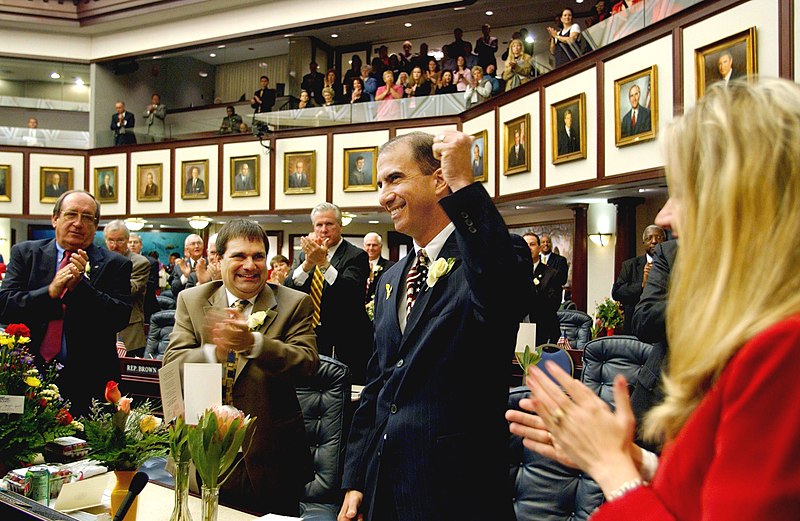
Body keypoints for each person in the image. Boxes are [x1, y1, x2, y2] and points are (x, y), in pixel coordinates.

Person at [508, 78, 800, 519]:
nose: (664, 215)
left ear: (740, 203)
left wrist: (611, 469)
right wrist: (627, 456)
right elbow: (707, 494)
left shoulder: (784, 351)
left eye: (681, 193)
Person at [338, 131, 531, 521]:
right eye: (380, 184)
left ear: (438, 179)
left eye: (395, 179)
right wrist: (356, 478)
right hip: (384, 490)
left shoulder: (496, 255)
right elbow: (379, 384)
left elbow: (500, 296)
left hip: (457, 492)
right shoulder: (391, 279)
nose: (383, 196)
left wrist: (465, 185)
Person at [164, 219, 318, 516]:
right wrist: (212, 350)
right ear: (218, 260)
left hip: (271, 458)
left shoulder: (294, 303)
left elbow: (308, 364)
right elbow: (172, 367)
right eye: (239, 256)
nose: (250, 265)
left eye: (258, 256)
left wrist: (254, 344)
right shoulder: (193, 300)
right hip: (201, 452)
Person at [0, 190, 132, 415]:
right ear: (55, 219)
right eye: (71, 214)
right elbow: (4, 307)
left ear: (96, 224)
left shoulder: (114, 264)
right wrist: (50, 292)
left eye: (87, 217)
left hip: (89, 379)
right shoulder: (26, 254)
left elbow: (118, 317)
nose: (78, 223)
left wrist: (80, 288)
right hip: (29, 373)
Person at [284, 202, 372, 384]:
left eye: (329, 224)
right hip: (313, 336)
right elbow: (289, 288)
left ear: (340, 226)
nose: (324, 230)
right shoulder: (303, 256)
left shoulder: (356, 255)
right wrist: (308, 264)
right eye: (319, 225)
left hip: (347, 338)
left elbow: (350, 293)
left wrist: (323, 263)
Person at [104, 220, 150, 356]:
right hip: (102, 328)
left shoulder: (140, 262)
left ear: (127, 240)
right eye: (110, 240)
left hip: (129, 331)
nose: (114, 245)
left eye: (119, 240)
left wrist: (104, 279)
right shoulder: (99, 260)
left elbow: (132, 289)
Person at [611, 225, 665, 335]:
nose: (654, 241)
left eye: (659, 237)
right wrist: (642, 285)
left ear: (665, 241)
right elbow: (616, 293)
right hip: (634, 329)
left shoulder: (673, 265)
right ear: (643, 243)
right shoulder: (630, 265)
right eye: (649, 238)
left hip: (664, 328)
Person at [523, 232, 562, 345]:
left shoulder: (551, 274)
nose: (528, 248)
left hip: (543, 330)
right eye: (525, 245)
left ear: (539, 248)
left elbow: (553, 304)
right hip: (518, 330)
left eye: (532, 244)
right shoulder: (513, 273)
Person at [128, 232, 160, 324]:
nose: (132, 245)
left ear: (141, 245)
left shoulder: (151, 262)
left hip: (147, 305)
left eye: (135, 242)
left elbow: (152, 285)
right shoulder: (120, 261)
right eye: (130, 242)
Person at [362, 232, 394, 303]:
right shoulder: (356, 265)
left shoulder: (390, 267)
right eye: (368, 245)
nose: (371, 248)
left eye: (374, 245)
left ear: (381, 246)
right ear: (364, 246)